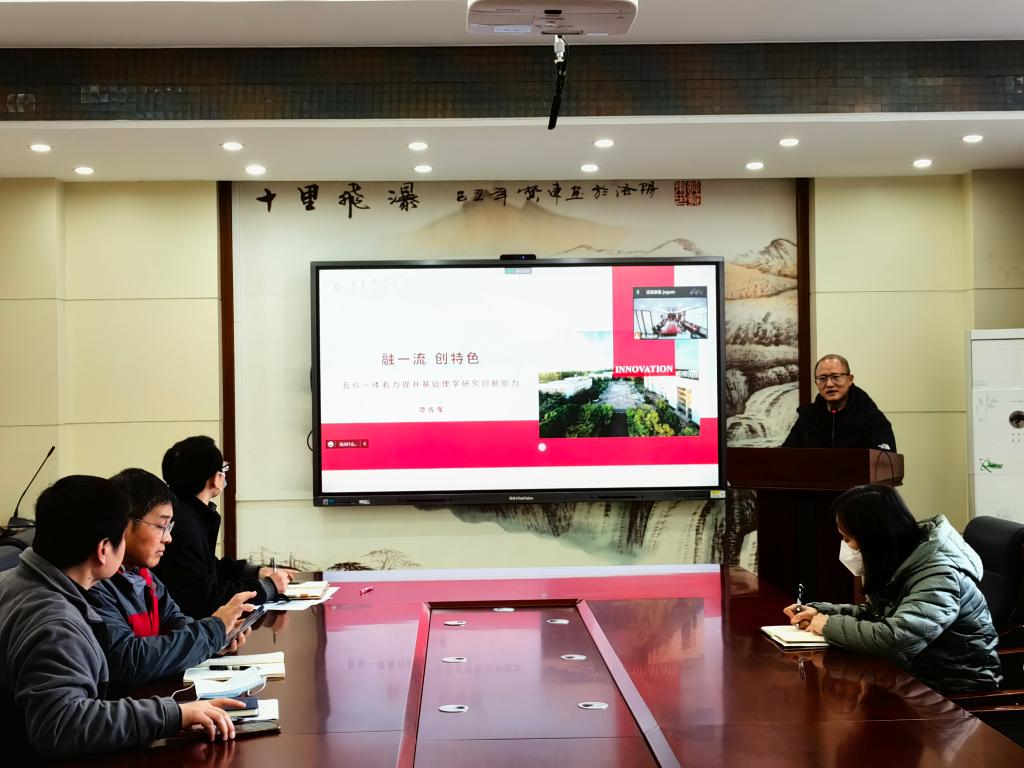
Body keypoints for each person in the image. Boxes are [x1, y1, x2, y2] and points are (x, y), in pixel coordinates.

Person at [0, 475, 244, 758]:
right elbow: (61, 725)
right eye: (121, 538)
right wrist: (175, 714)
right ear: (104, 550)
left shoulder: (12, 581)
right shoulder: (57, 622)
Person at [784, 484, 1001, 694]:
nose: (845, 546)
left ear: (874, 538)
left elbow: (895, 640)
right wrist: (821, 613)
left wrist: (828, 625)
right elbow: (878, 616)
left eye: (847, 538)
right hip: (914, 676)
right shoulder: (904, 559)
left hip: (954, 689)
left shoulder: (939, 575)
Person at [93, 467, 257, 689]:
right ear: (123, 524)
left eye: (170, 527)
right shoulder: (96, 584)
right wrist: (213, 630)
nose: (168, 538)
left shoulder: (146, 578)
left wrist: (216, 642)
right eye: (161, 526)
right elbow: (130, 660)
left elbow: (177, 624)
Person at [155, 435, 295, 619]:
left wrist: (256, 572)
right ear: (214, 478)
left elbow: (209, 567)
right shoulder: (184, 525)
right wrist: (267, 587)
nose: (224, 474)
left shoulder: (188, 513)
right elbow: (206, 598)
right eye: (223, 469)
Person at [782, 353, 896, 450]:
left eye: (835, 377)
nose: (829, 384)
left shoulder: (870, 417)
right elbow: (785, 455)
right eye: (822, 379)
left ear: (850, 379)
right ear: (816, 383)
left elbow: (885, 461)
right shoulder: (808, 418)